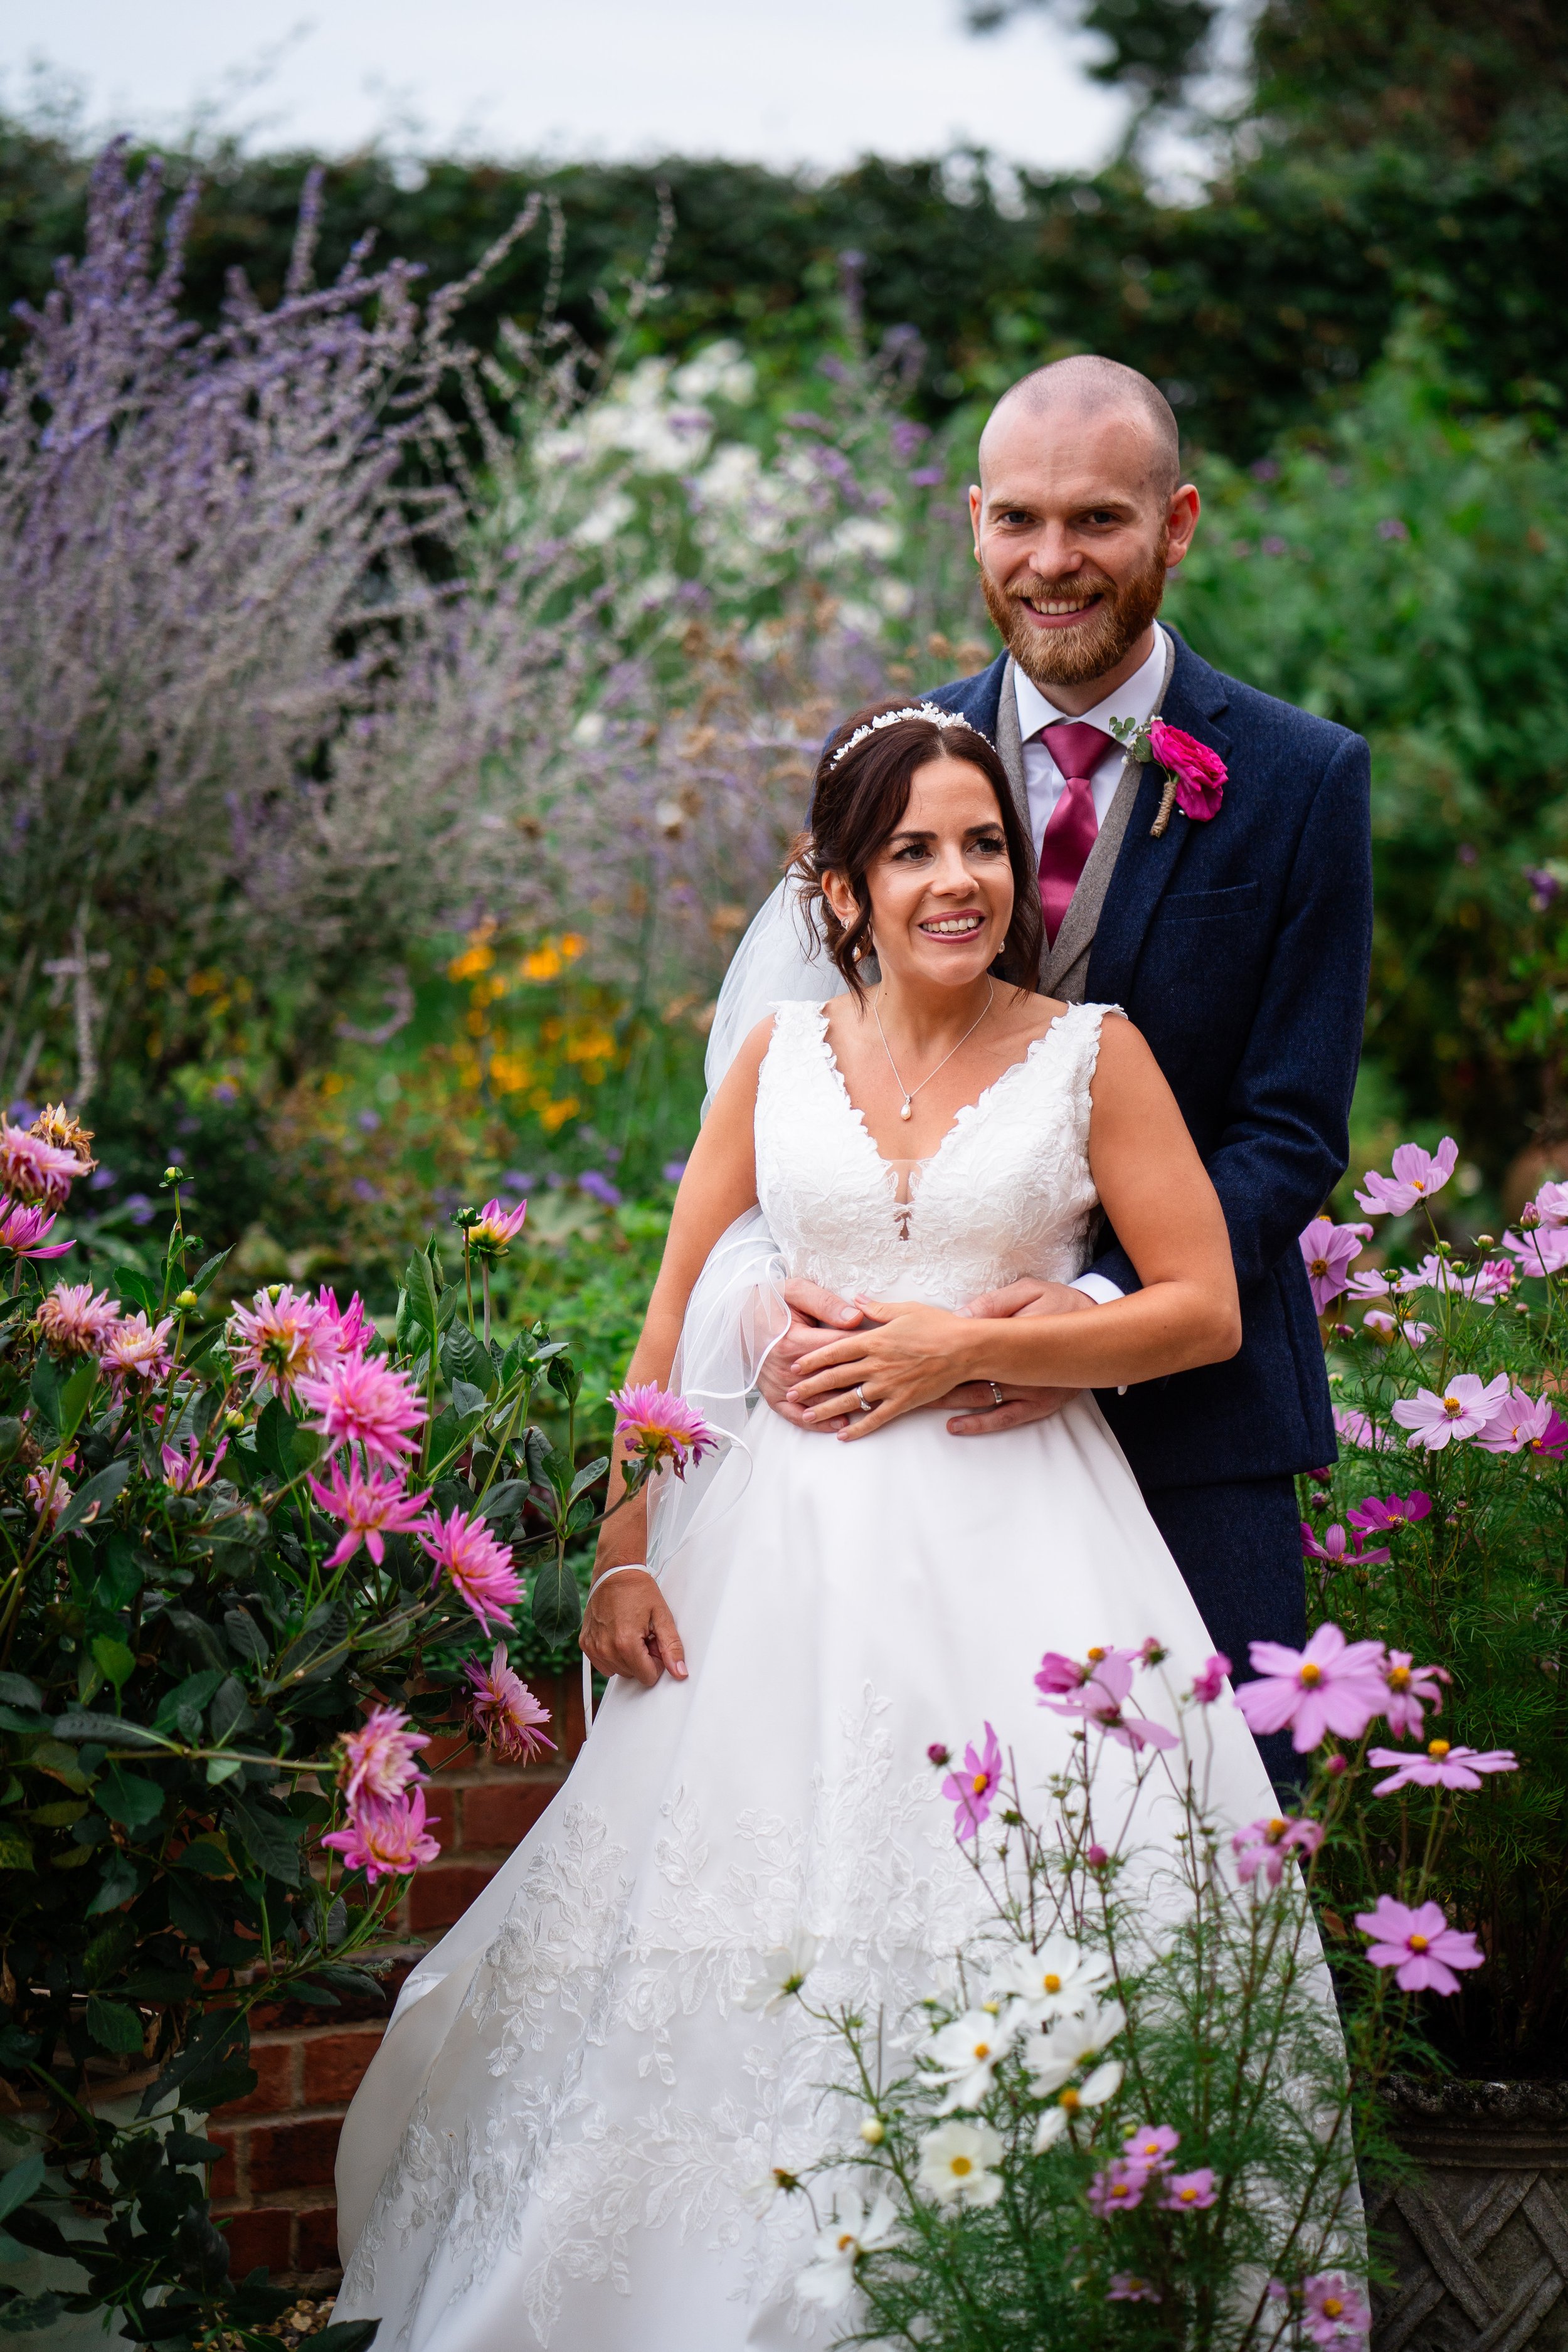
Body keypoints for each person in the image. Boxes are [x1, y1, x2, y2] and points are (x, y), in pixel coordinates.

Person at [332, 701, 1340, 2351]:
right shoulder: (777, 1059)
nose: (958, 879)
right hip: (774, 1567)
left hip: (1026, 1554)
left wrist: (970, 1348)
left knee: (1025, 1914)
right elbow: (668, 1319)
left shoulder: (1092, 1054)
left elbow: (1200, 1308)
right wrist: (622, 1542)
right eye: (913, 850)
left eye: (984, 844)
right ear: (844, 888)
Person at [711, 355, 1373, 1784]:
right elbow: (797, 1079)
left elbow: (1289, 1127)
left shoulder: (1301, 778)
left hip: (1194, 1427)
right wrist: (770, 1294)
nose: (1051, 560)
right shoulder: (891, 764)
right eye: (1017, 519)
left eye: (1097, 521)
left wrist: (1091, 1313)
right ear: (973, 523)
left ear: (1175, 525)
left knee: (1206, 1843)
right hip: (906, 1455)